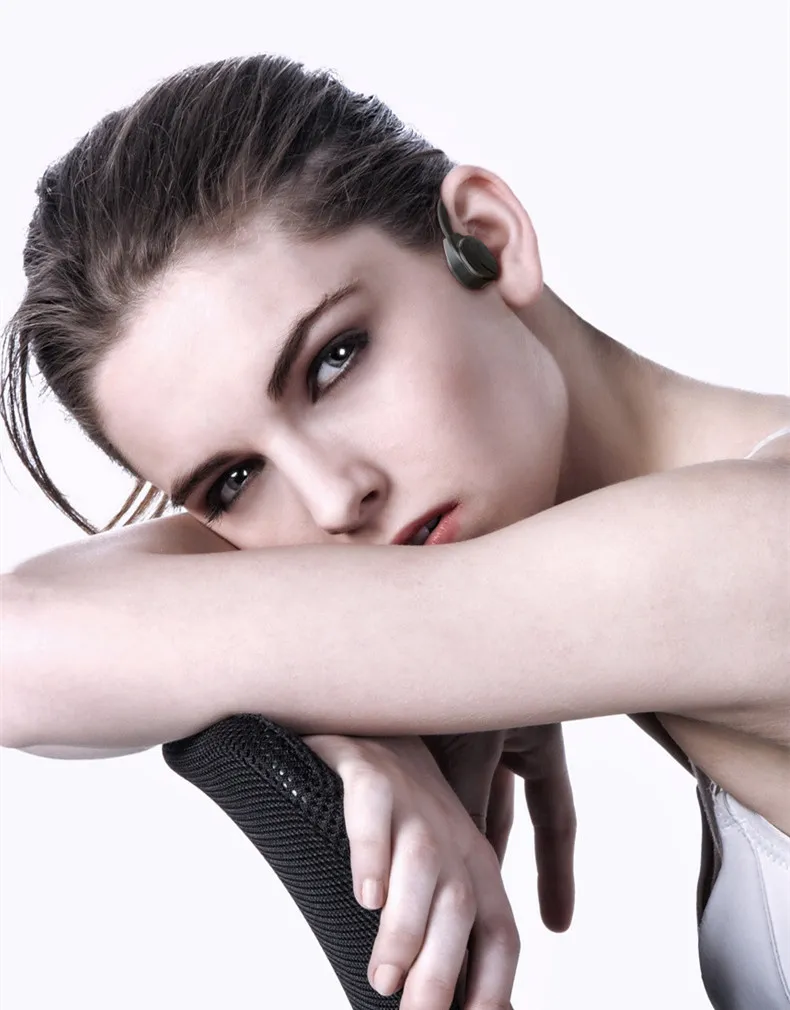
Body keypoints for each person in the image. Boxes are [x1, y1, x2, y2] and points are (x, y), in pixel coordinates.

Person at [1, 54, 787, 1010]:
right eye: (235, 480)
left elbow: (20, 648)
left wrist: (339, 670)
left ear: (486, 240)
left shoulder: (752, 548)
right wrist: (358, 715)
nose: (335, 501)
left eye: (334, 361)